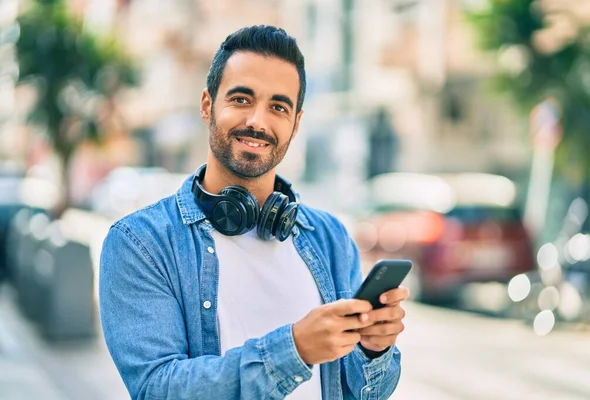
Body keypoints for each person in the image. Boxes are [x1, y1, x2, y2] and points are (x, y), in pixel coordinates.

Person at [99, 25, 409, 400]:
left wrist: (375, 350)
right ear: (207, 105)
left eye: (278, 107)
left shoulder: (329, 236)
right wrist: (294, 350)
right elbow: (156, 389)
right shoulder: (140, 243)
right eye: (242, 99)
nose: (258, 122)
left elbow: (364, 393)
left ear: (295, 124)